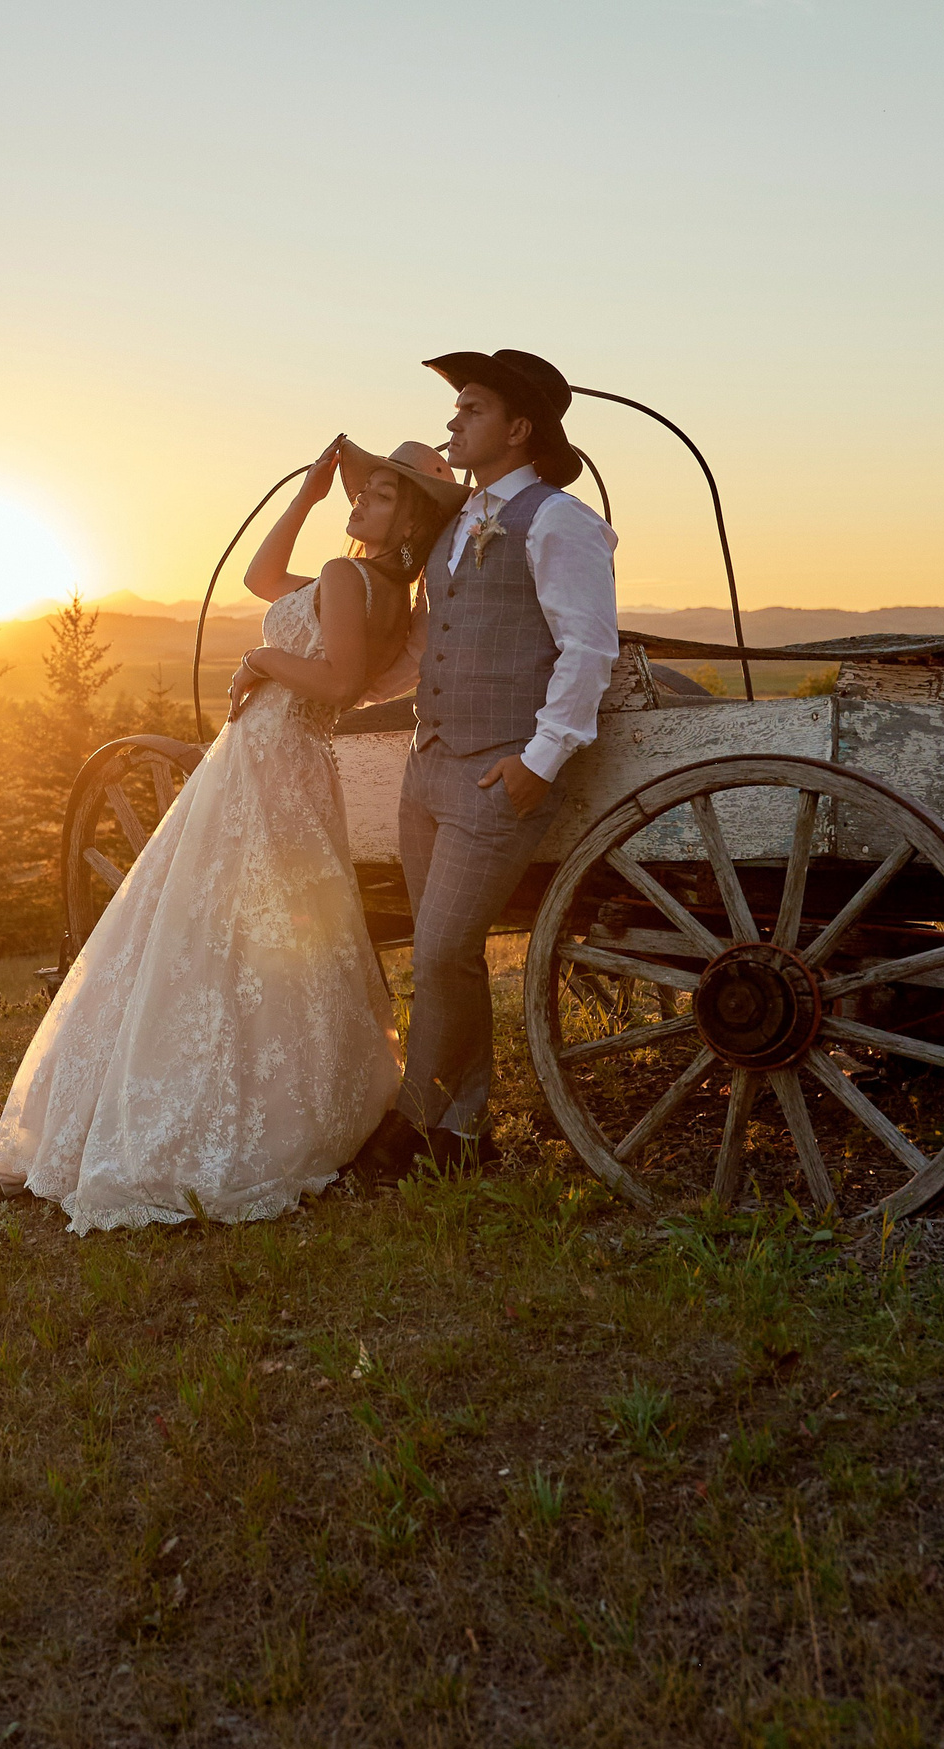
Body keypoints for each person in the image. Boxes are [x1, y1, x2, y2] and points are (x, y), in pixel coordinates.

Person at [0, 438, 468, 1233]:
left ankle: (199, 1113)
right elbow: (262, 580)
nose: (359, 501)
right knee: (262, 925)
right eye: (361, 492)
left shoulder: (345, 577)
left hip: (268, 753)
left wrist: (261, 657)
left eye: (381, 497)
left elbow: (335, 680)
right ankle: (301, 1103)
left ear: (407, 524)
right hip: (291, 759)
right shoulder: (379, 590)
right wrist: (305, 496)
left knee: (217, 922)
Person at [350, 350, 620, 1184]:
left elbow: (588, 648)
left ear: (518, 428)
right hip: (430, 768)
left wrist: (539, 761)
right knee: (450, 958)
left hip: (499, 773)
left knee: (438, 953)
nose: (452, 423)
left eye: (469, 410)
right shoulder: (462, 518)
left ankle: (415, 1123)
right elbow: (434, 634)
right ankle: (463, 1135)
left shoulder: (559, 520)